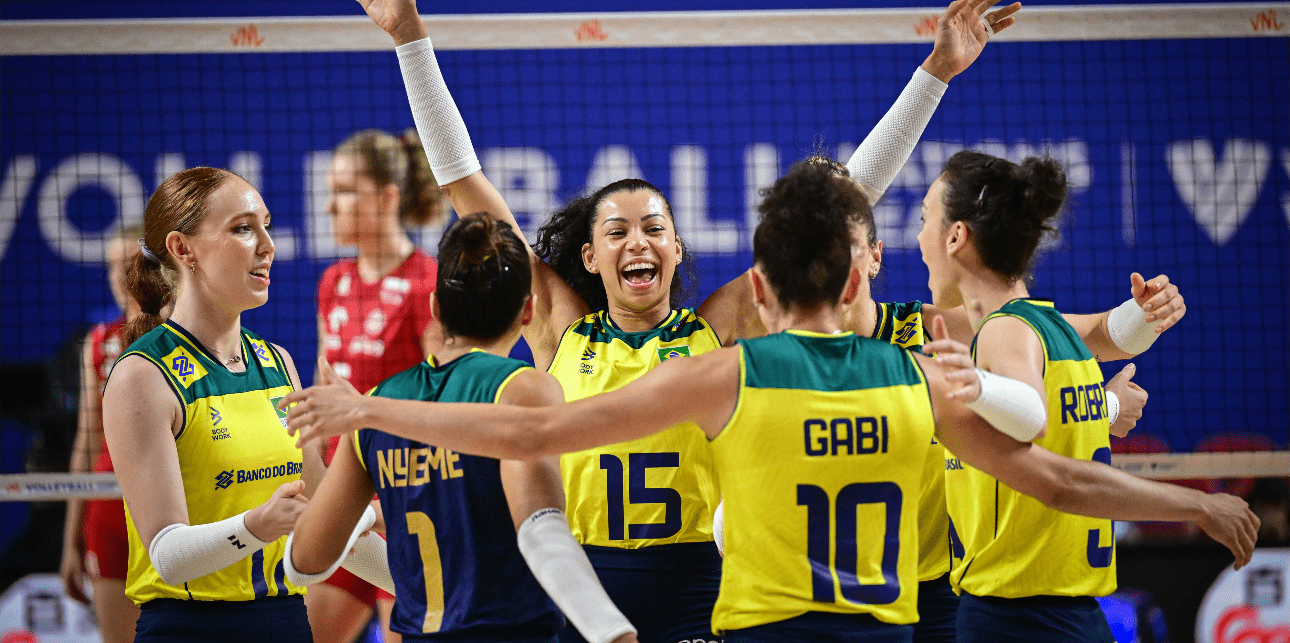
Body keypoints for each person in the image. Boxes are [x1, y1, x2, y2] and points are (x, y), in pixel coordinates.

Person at [327, 0, 1019, 641]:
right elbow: (462, 185)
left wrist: (934, 73)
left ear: (677, 248)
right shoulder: (562, 328)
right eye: (619, 231)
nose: (638, 242)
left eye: (655, 228)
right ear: (591, 256)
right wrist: (410, 39)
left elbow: (834, 209)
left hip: (699, 584)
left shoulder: (712, 333)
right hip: (586, 580)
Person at [280, 161, 1259, 641]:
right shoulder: (914, 369)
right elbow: (1049, 467)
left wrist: (371, 412)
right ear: (851, 280)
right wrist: (1191, 498)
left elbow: (533, 427)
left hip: (746, 623)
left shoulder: (727, 372)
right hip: (888, 626)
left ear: (759, 288)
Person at [701, 157, 1179, 642]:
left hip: (939, 592)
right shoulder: (772, 366)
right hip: (828, 598)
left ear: (873, 256)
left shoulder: (937, 330)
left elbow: (1080, 339)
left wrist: (1143, 315)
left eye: (839, 247)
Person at [913, 150, 1251, 641]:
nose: (919, 238)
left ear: (956, 235)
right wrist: (1114, 389)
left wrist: (975, 387)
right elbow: (1090, 360)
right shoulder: (1055, 333)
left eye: (925, 219)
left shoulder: (1004, 335)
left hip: (1014, 617)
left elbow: (1041, 437)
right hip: (1077, 614)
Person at [287, 211, 639, 643]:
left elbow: (304, 560)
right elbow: (541, 529)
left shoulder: (376, 403)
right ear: (528, 312)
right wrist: (613, 632)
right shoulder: (523, 389)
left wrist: (371, 513)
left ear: (435, 307)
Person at [101, 166, 342, 642]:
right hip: (190, 628)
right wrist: (257, 525)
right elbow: (168, 556)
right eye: (242, 228)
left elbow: (322, 518)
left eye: (266, 225)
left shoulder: (279, 364)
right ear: (182, 248)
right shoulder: (142, 377)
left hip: (288, 621)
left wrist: (428, 591)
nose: (267, 245)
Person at [313, 128, 449, 643]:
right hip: (340, 494)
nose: (331, 205)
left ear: (387, 197)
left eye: (346, 190)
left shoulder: (427, 283)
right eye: (332, 190)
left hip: (407, 500)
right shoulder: (333, 283)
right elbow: (321, 390)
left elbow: (445, 399)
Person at [60, 225, 147, 643]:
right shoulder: (99, 343)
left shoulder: (181, 338)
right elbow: (87, 440)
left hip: (167, 509)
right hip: (107, 510)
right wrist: (69, 541)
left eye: (128, 264)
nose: (117, 276)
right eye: (112, 266)